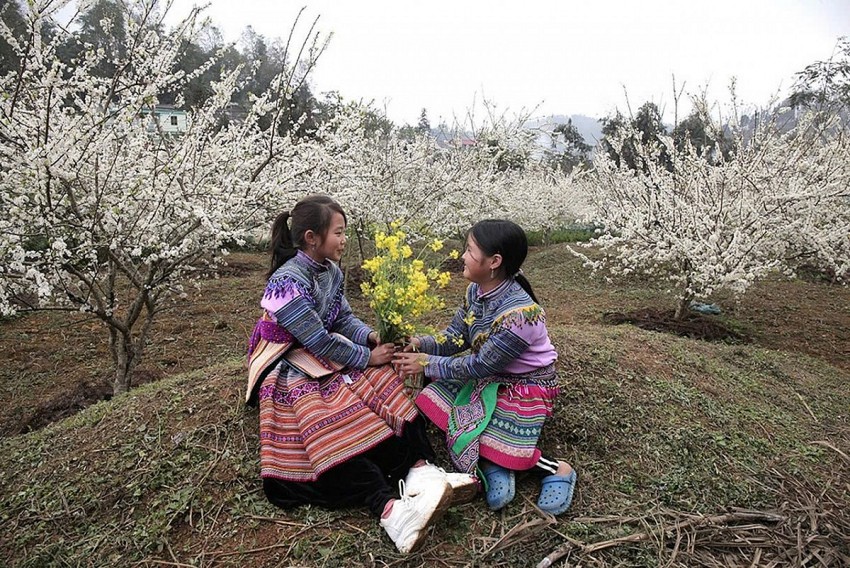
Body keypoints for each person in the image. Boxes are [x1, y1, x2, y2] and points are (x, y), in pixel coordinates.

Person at [245, 195, 475, 554]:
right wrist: (367, 357)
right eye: (338, 233)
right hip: (288, 361)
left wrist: (372, 337)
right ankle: (390, 510)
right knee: (328, 406)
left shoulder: (331, 271)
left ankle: (419, 471)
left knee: (382, 380)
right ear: (311, 237)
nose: (344, 240)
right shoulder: (285, 282)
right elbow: (317, 340)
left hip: (320, 352)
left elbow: (341, 319)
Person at [394, 219, 576, 515]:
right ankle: (496, 463)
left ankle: (557, 469)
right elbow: (454, 338)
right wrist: (418, 343)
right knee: (430, 401)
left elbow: (480, 364)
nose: (462, 257)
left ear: (494, 261)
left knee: (494, 441)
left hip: (524, 387)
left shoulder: (522, 315)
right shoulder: (475, 293)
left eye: (469, 250)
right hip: (490, 378)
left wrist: (426, 363)